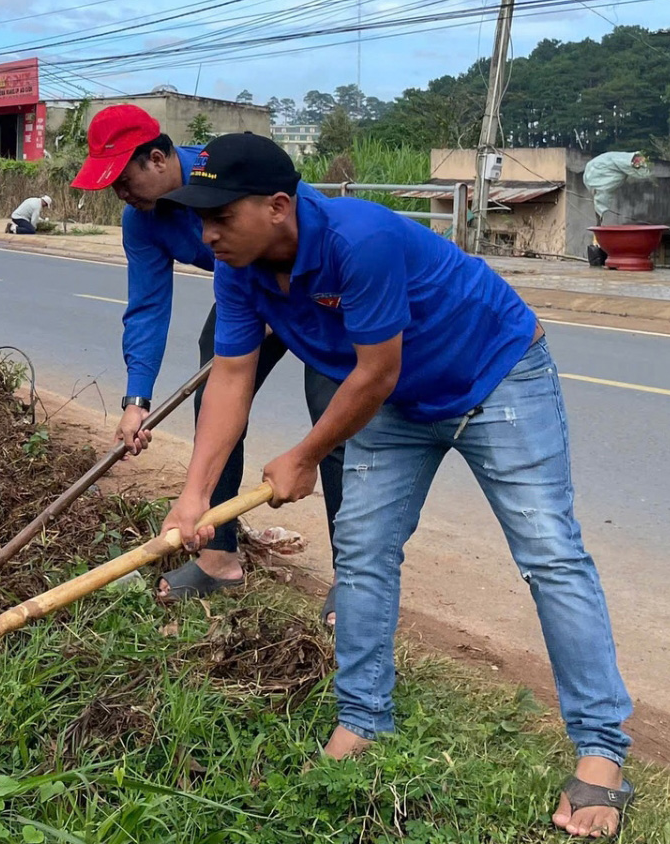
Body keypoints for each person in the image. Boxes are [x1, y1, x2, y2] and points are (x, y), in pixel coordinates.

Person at [157, 132, 634, 839]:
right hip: (398, 406)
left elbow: (374, 372)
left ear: (279, 206)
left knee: (549, 555)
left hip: (495, 377)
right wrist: (195, 494)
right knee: (363, 552)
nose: (208, 234)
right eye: (202, 218)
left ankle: (601, 751)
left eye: (222, 216)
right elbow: (231, 376)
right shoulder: (241, 265)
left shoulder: (361, 241)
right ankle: (363, 719)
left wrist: (304, 455)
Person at [69, 104, 344, 603]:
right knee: (216, 397)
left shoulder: (232, 170)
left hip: (314, 290)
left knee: (332, 418)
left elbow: (306, 226)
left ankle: (354, 583)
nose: (121, 195)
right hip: (244, 294)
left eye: (123, 180)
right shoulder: (143, 221)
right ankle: (219, 558)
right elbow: (148, 306)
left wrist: (282, 300)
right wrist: (137, 398)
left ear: (156, 159)